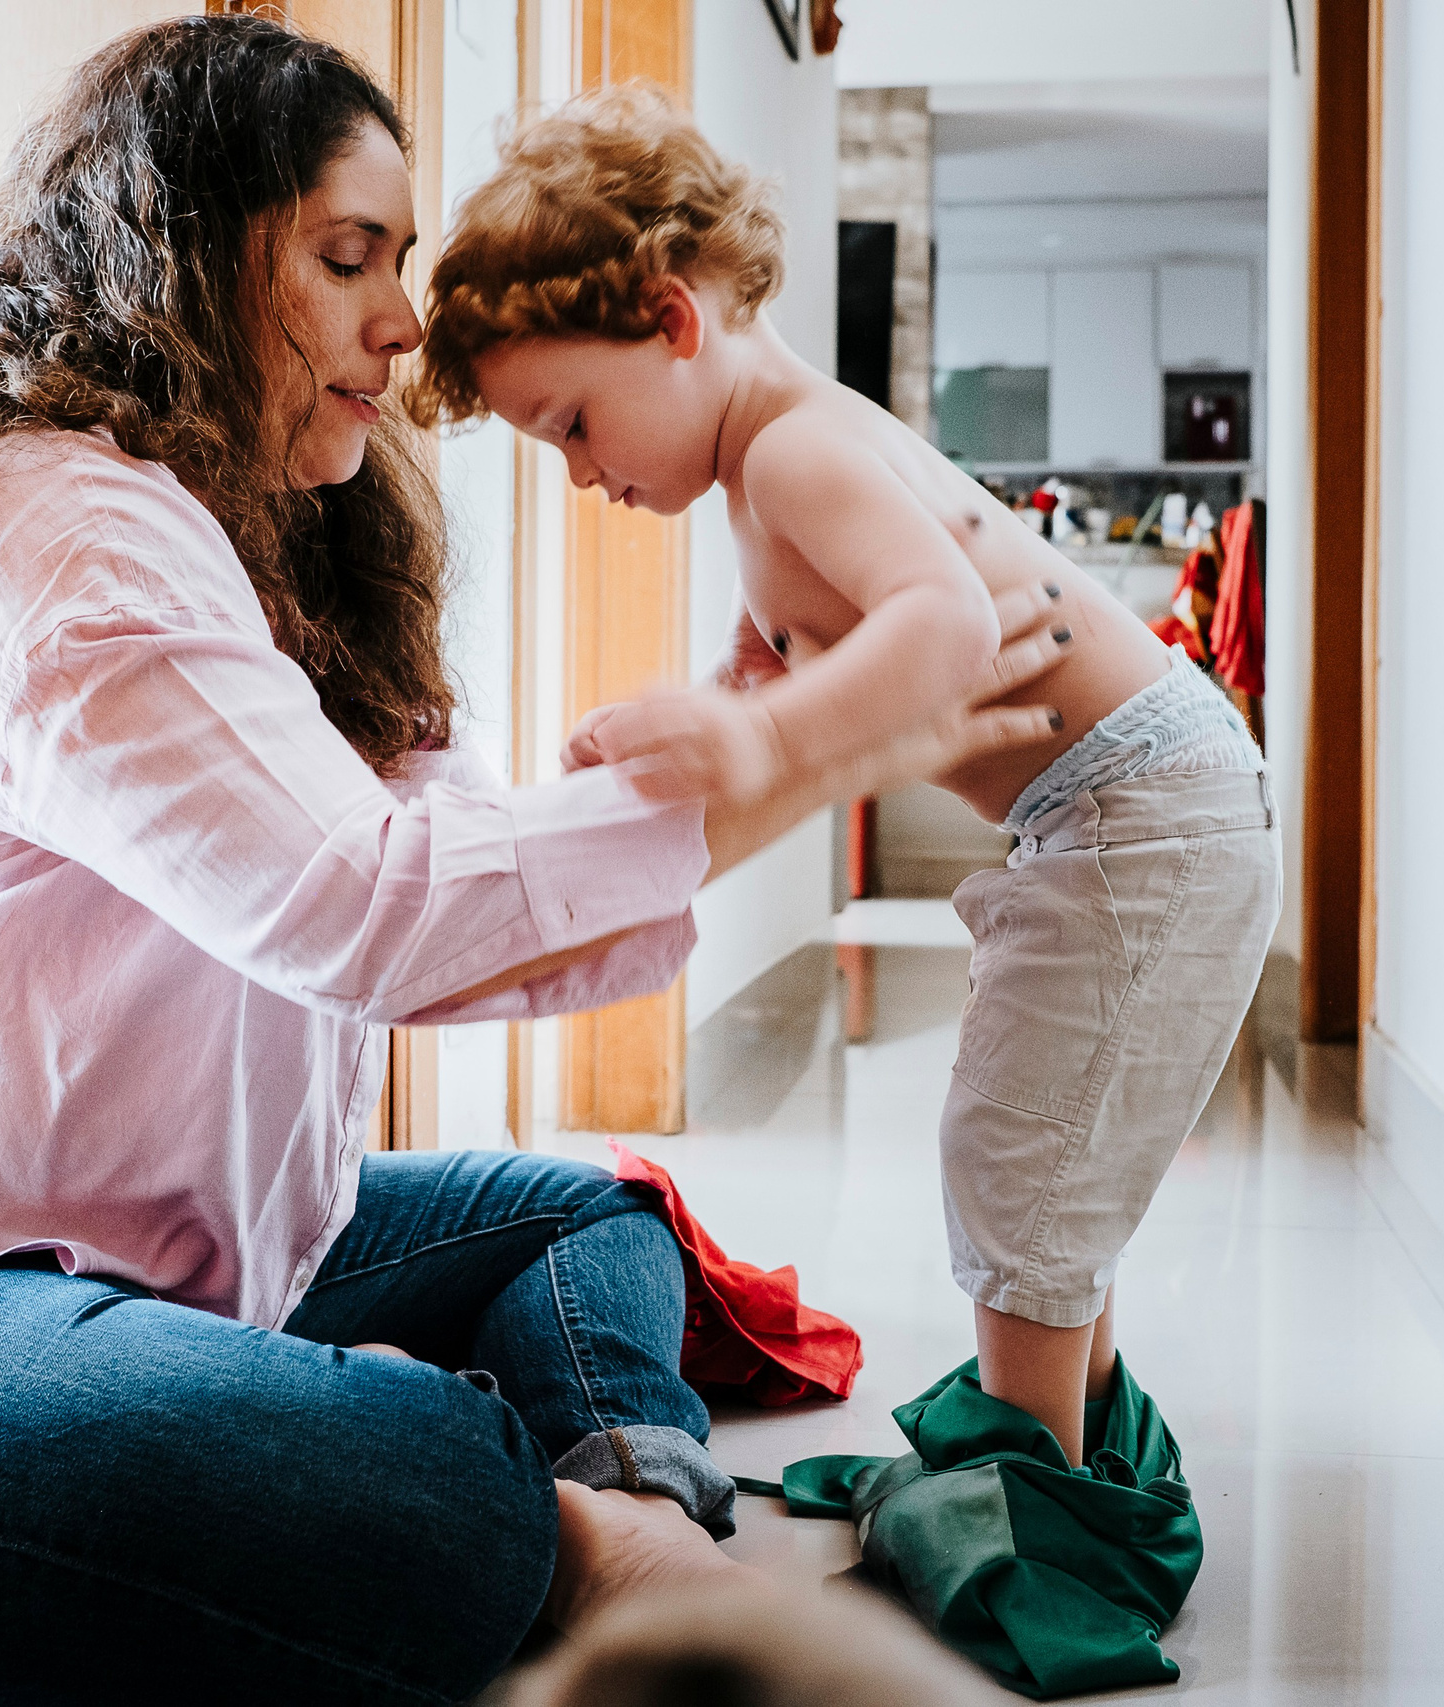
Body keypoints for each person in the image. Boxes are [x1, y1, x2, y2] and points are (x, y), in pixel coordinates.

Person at [0, 19, 1067, 1704]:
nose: (403, 322)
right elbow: (371, 915)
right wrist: (808, 750)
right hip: (23, 1286)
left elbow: (453, 876)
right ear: (186, 252)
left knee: (597, 1214)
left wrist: (732, 744)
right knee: (419, 1473)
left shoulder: (275, 534)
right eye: (349, 259)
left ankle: (613, 1483)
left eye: (396, 261)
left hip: (248, 1252)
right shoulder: (77, 537)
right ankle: (583, 1529)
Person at [412, 86, 1282, 1472]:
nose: (581, 474)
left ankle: (1040, 1501)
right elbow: (772, 667)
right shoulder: (769, 474)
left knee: (1023, 1154)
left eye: (574, 423)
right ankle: (1068, 1448)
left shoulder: (798, 449)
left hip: (1145, 807)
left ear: (672, 318)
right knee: (1044, 1137)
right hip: (1112, 812)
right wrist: (696, 720)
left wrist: (755, 743)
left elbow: (940, 624)